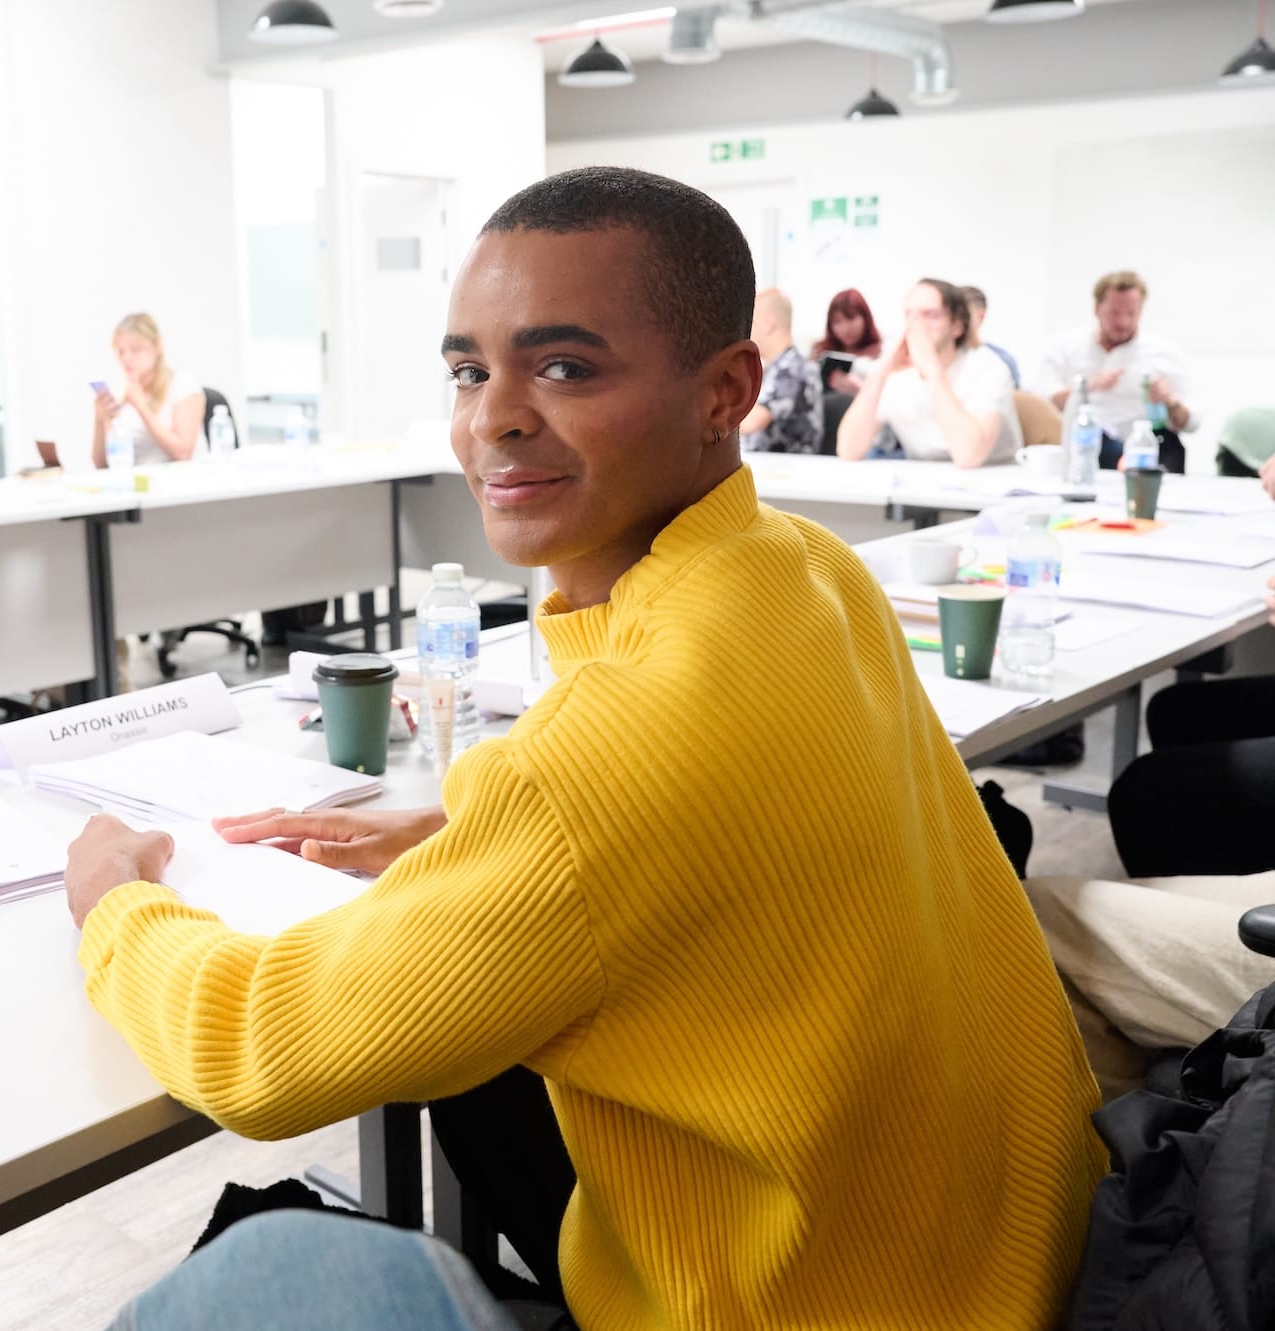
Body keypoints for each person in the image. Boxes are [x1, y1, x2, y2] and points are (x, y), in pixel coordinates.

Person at [67, 167, 1102, 1330]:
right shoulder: (805, 567)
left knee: (261, 1271)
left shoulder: (602, 761)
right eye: (469, 370)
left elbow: (261, 1051)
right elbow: (725, 811)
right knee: (473, 1073)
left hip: (813, 1301)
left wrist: (113, 906)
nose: (491, 416)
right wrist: (472, 831)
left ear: (726, 390)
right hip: (1013, 1251)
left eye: (563, 366)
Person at [836, 277, 1022, 467]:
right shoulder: (896, 375)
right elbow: (849, 450)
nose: (917, 326)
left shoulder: (988, 368)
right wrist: (880, 373)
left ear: (957, 326)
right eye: (910, 315)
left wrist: (932, 370)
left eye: (931, 316)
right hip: (921, 485)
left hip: (990, 484)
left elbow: (969, 456)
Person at [1036, 270, 1196, 471]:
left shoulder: (1164, 353)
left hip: (1147, 447)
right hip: (1086, 444)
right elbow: (1040, 404)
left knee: (1166, 449)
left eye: (1131, 314)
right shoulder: (1064, 347)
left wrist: (1169, 399)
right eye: (1114, 313)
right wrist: (1087, 386)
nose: (1123, 323)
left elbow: (1192, 423)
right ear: (1096, 308)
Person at [90, 313, 206, 468]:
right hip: (134, 484)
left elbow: (183, 453)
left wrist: (141, 406)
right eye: (121, 352)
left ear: (157, 346)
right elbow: (101, 465)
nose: (126, 358)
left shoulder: (182, 384)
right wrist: (100, 419)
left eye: (135, 350)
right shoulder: (120, 395)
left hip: (177, 483)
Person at [738, 287, 822, 453]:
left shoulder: (792, 368)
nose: (746, 330)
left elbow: (753, 421)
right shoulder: (777, 367)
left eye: (751, 322)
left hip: (785, 471)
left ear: (768, 323)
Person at [809, 287, 881, 395]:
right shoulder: (820, 352)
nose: (845, 328)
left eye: (851, 318)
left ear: (865, 318)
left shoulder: (882, 354)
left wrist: (861, 389)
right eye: (837, 322)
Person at [960, 284, 1021, 387]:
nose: (957, 320)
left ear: (981, 316)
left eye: (964, 314)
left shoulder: (1002, 360)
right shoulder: (943, 359)